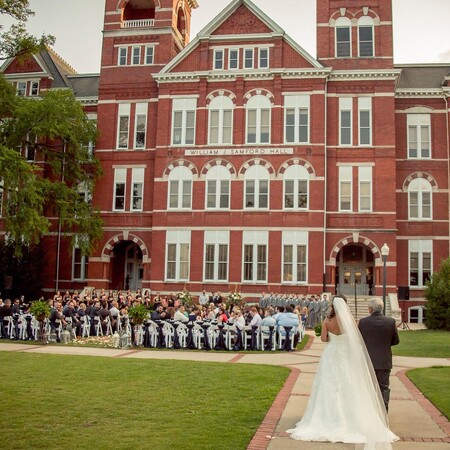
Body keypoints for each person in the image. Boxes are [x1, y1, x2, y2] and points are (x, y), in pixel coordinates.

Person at [287, 296, 398, 448]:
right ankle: (353, 418)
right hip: (346, 355)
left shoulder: (327, 321)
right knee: (348, 383)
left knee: (329, 385)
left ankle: (328, 418)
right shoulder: (351, 321)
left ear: (332, 306)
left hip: (332, 355)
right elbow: (356, 339)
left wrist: (326, 334)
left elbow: (325, 339)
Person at [358, 297, 400, 412]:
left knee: (368, 387)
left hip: (368, 360)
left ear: (370, 309)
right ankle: (383, 411)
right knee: (384, 388)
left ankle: (369, 411)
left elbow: (359, 340)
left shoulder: (363, 322)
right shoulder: (391, 322)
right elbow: (396, 341)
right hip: (384, 361)